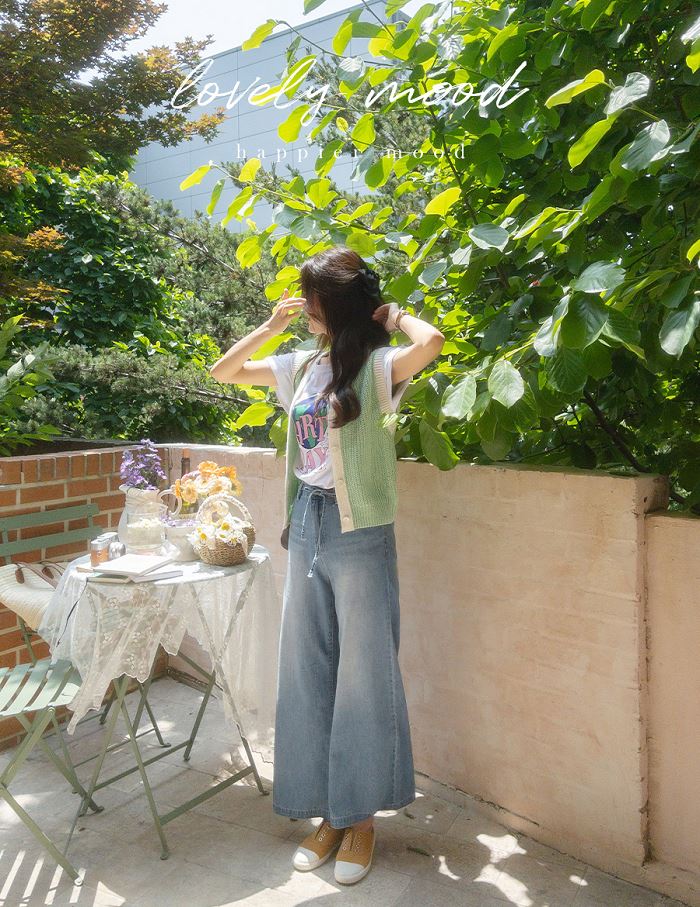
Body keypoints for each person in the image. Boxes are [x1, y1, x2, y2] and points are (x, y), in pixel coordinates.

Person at [209, 245, 445, 884]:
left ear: (337, 306)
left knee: (364, 675)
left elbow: (433, 342)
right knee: (306, 670)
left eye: (313, 299)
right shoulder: (303, 366)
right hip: (308, 523)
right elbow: (224, 372)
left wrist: (391, 315)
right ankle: (328, 815)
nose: (306, 306)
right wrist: (271, 326)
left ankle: (360, 820)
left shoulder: (378, 367)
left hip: (360, 530)